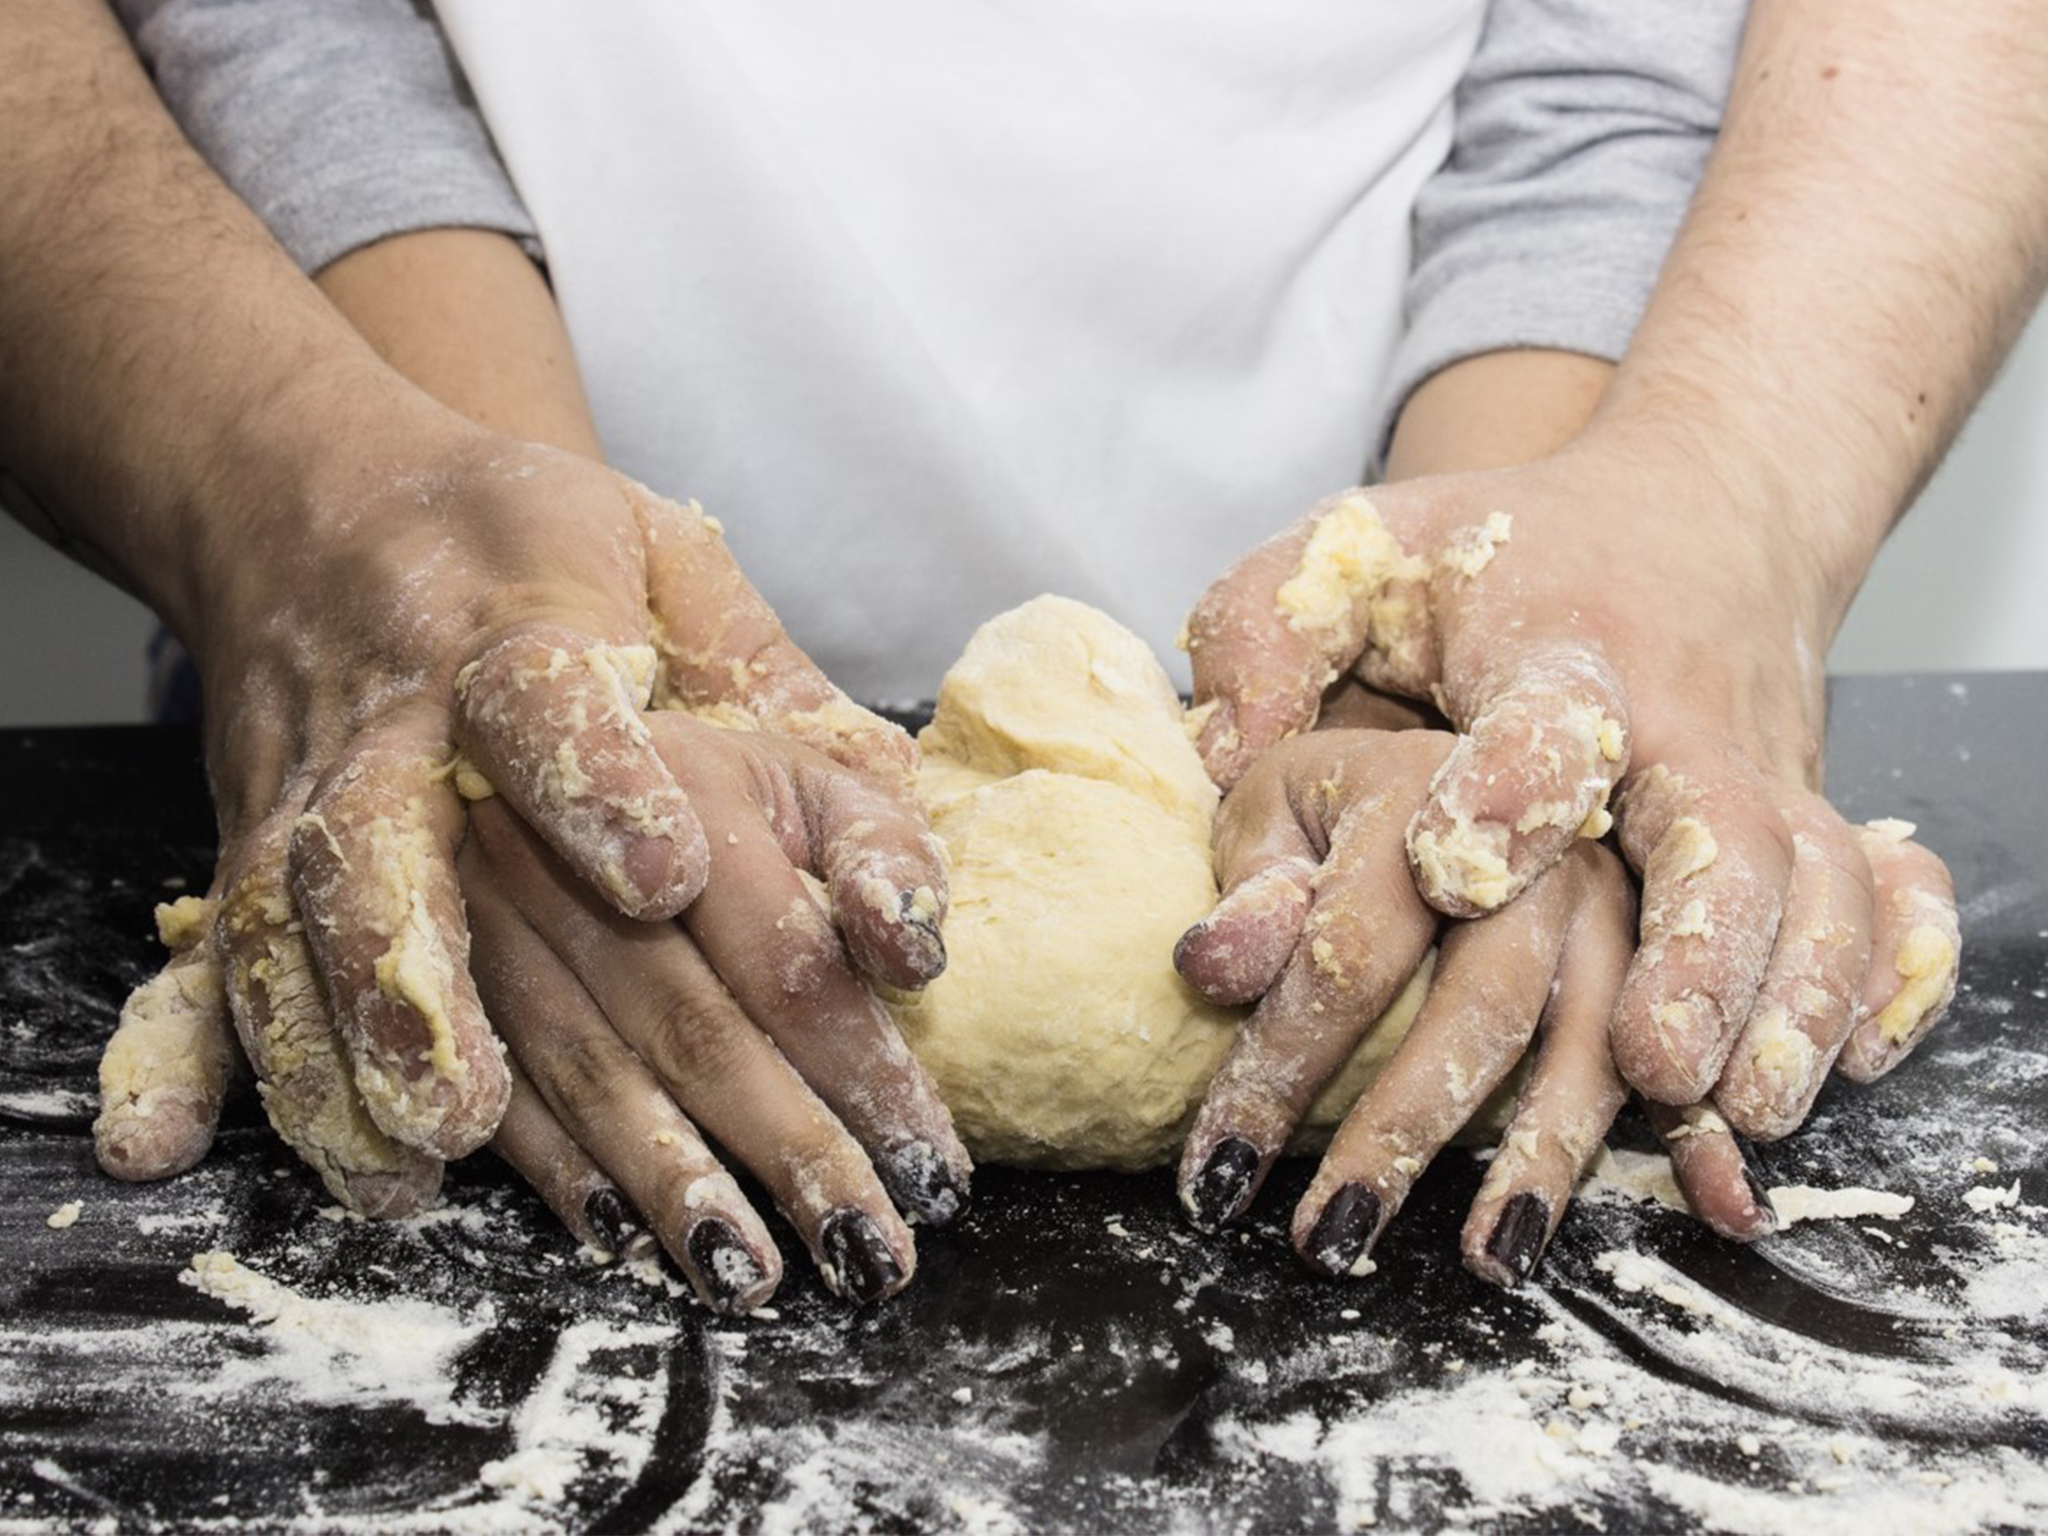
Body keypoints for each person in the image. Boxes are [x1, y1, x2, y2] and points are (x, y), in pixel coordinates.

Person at [8, 0, 2015, 1307]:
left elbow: (1628, 56)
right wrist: (426, 546)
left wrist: (1513, 627)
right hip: (401, 444)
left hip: (1479, 512)